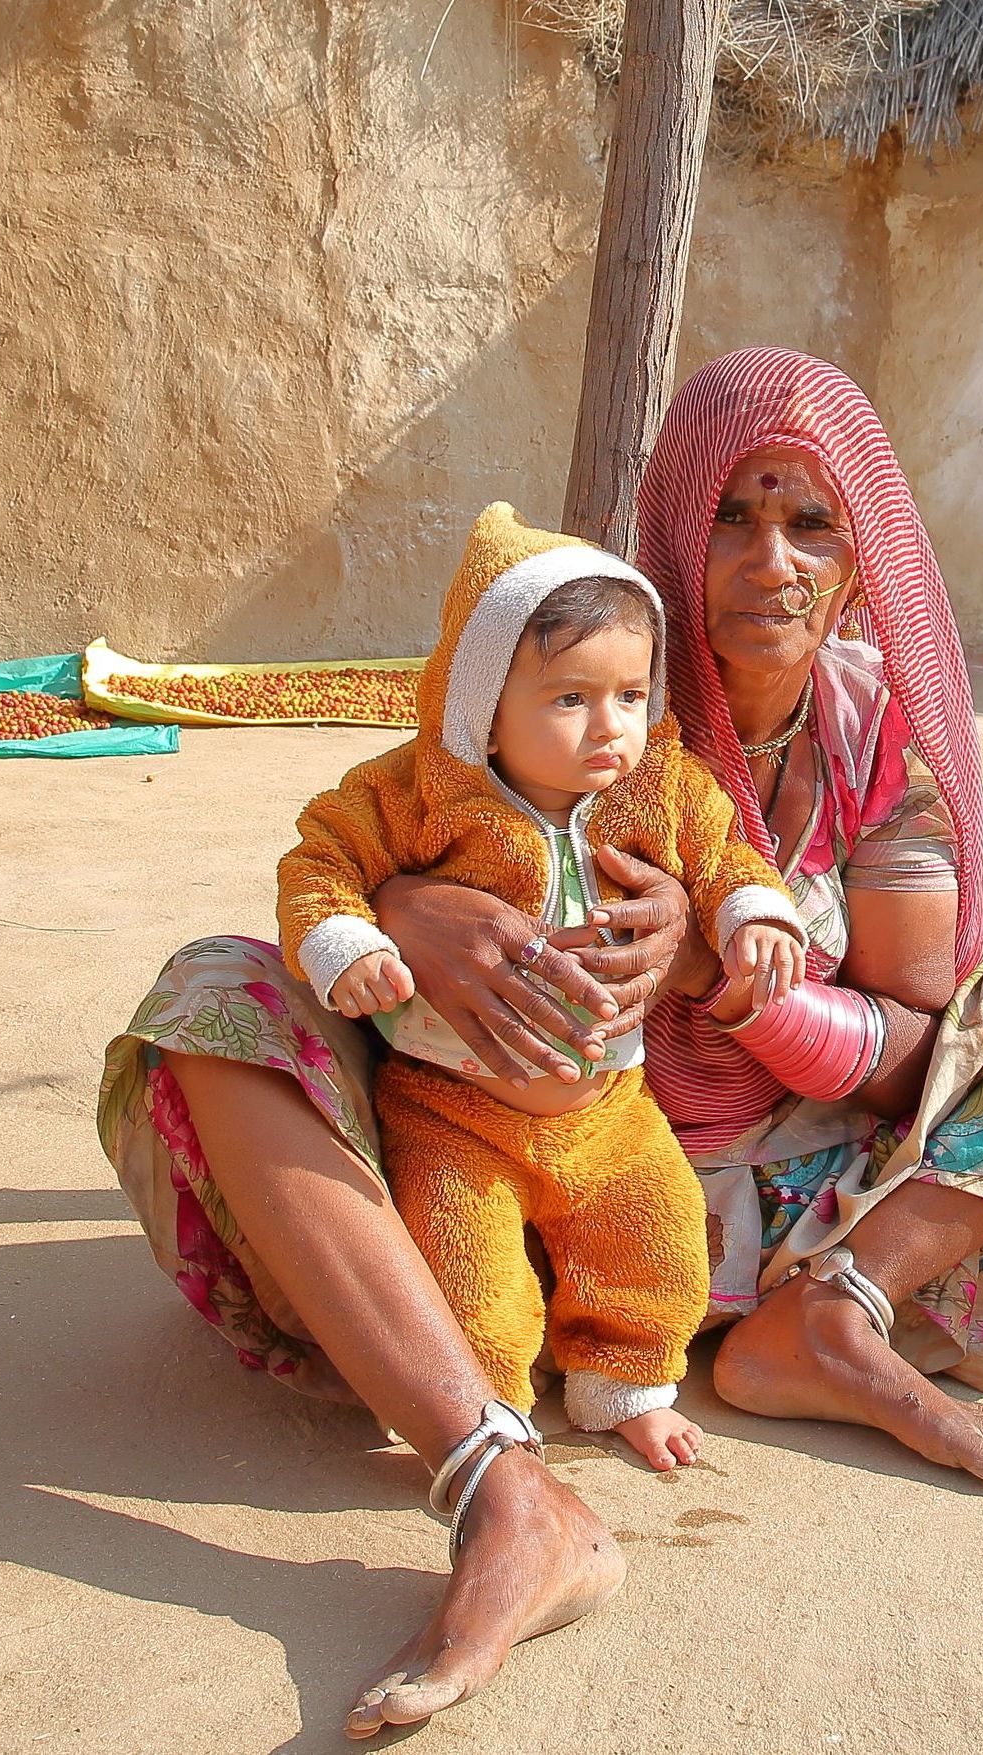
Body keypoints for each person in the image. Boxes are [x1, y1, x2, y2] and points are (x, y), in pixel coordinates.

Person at [94, 348, 983, 1739]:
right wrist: (410, 908)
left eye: (810, 520)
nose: (771, 559)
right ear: (670, 526)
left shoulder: (877, 734)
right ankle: (500, 1479)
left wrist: (727, 975)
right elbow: (393, 808)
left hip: (821, 1198)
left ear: (863, 553)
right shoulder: (588, 671)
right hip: (502, 1185)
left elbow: (910, 1052)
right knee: (215, 998)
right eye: (731, 515)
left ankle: (835, 1315)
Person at [277, 510, 806, 1479]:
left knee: (657, 1238)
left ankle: (625, 1382)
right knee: (465, 1279)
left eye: (630, 695)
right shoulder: (419, 792)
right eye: (570, 697)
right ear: (484, 699)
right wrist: (345, 938)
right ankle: (489, 1417)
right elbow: (324, 854)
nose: (610, 726)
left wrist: (751, 916)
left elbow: (728, 857)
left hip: (608, 1106)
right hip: (453, 1108)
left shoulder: (660, 790)